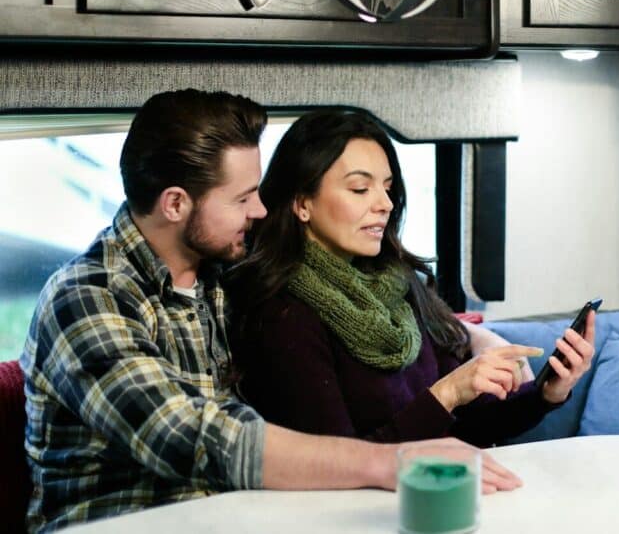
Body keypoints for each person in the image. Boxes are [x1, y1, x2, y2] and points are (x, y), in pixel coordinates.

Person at [19, 90, 520, 533]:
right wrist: (389, 462)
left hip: (234, 515)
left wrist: (477, 337)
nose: (260, 210)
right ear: (175, 204)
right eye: (241, 198)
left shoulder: (217, 269)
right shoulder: (87, 297)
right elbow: (196, 438)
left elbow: (373, 296)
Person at [227, 109, 596, 445]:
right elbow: (337, 468)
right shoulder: (283, 316)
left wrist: (547, 393)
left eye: (387, 188)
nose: (384, 203)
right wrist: (448, 393)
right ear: (301, 203)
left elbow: (465, 430)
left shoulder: (397, 285)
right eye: (360, 188)